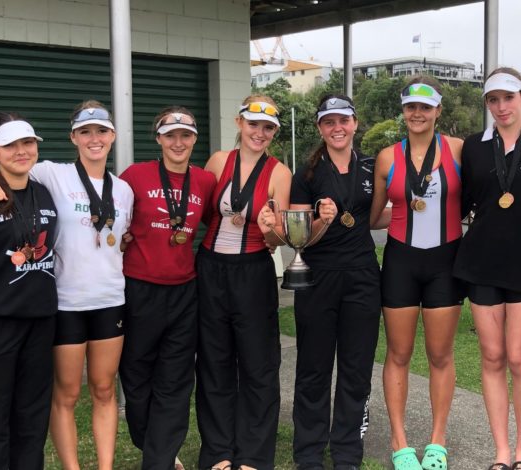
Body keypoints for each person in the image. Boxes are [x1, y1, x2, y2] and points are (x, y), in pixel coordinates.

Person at [0, 102, 135, 470]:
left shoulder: (109, 189)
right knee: (2, 411)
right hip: (25, 312)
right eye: (85, 132)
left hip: (58, 310)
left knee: (40, 407)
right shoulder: (45, 177)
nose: (21, 152)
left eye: (28, 143)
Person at [453, 67, 521, 470]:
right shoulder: (474, 147)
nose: (501, 107)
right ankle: (501, 452)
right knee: (492, 355)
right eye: (493, 100)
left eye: (508, 98)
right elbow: (460, 202)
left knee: (519, 357)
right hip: (481, 262)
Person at [275, 94, 383, 470]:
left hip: (363, 277)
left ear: (355, 123)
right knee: (313, 368)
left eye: (343, 120)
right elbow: (297, 239)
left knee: (356, 368)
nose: (337, 128)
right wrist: (322, 220)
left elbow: (376, 217)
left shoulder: (370, 167)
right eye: (329, 122)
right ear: (320, 128)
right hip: (318, 276)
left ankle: (348, 454)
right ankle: (308, 454)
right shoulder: (306, 173)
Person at [369, 76, 463, 470]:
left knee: (440, 355)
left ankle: (437, 441)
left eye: (426, 107)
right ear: (403, 111)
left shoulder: (458, 149)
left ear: (438, 110)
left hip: (446, 262)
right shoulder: (388, 157)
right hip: (401, 261)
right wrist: (404, 211)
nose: (418, 113)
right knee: (399, 353)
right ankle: (399, 440)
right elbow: (374, 215)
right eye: (411, 107)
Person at [195, 94, 292, 470]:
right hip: (210, 268)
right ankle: (218, 451)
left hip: (253, 270)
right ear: (240, 123)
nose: (260, 133)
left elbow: (280, 239)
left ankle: (253, 455)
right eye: (254, 124)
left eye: (268, 128)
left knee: (258, 364)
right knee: (214, 361)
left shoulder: (280, 173)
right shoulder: (219, 161)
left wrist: (271, 230)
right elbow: (201, 213)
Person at [118, 106, 216, 470]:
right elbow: (114, 220)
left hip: (184, 291)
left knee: (176, 380)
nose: (178, 142)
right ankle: (152, 445)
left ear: (194, 139)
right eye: (170, 135)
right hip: (139, 289)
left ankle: (158, 460)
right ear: (158, 138)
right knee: (137, 375)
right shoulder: (134, 176)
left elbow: (217, 221)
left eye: (185, 135)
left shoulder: (204, 181)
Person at [0, 112, 58, 469]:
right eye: (10, 145)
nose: (21, 151)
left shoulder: (43, 189)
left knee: (32, 417)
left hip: (41, 321)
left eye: (28, 143)